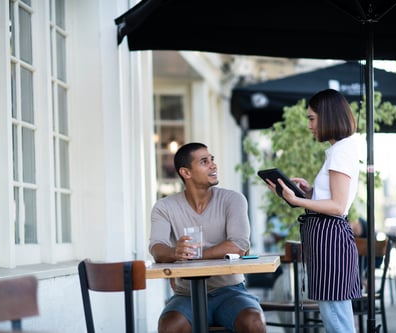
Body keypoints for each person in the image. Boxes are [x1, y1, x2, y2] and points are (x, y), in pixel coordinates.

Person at [263, 89, 361, 333]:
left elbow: (337, 207)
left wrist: (298, 201)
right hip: (328, 239)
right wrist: (309, 192)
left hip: (330, 239)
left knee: (336, 320)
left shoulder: (340, 151)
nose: (309, 126)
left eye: (311, 118)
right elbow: (333, 200)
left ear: (327, 117)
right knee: (335, 316)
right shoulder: (339, 150)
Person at [150, 142, 266, 333]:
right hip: (186, 294)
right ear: (186, 173)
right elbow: (157, 248)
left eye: (212, 160)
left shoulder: (233, 200)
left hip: (231, 291)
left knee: (254, 323)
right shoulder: (164, 207)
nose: (213, 165)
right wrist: (173, 251)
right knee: (169, 326)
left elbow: (238, 245)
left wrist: (194, 254)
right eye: (204, 161)